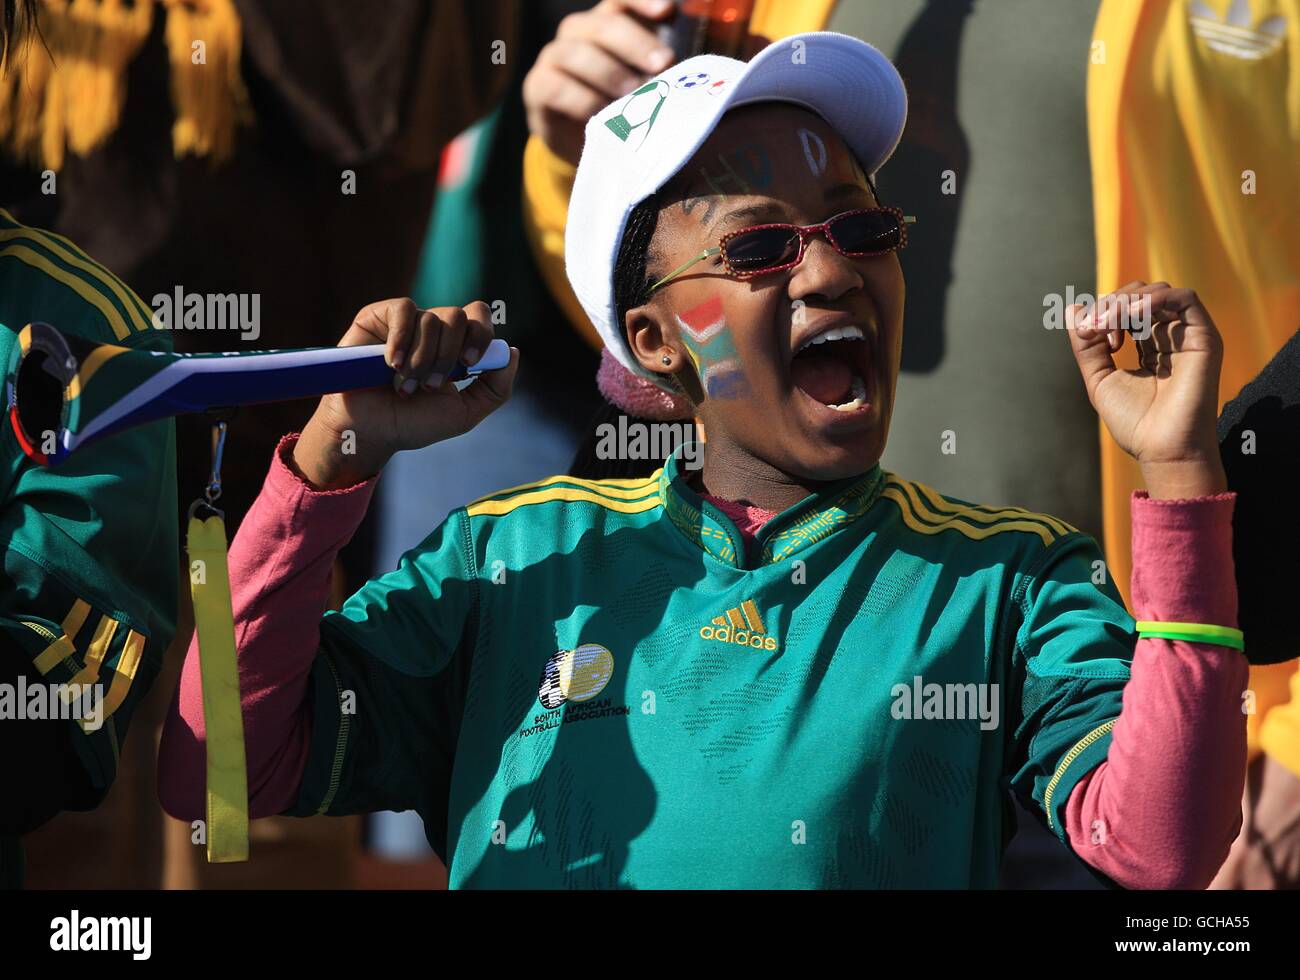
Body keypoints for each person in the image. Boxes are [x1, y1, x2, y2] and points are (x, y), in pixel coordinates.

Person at [161, 34, 1247, 888]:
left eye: (859, 228)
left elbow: (1161, 850)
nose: (829, 271)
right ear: (651, 339)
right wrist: (323, 463)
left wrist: (1182, 478)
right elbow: (212, 771)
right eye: (761, 248)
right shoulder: (511, 557)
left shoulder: (1009, 579)